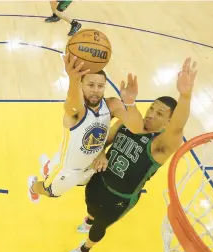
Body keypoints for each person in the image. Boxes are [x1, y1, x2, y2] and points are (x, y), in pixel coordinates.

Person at [65, 57, 198, 252]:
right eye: (152, 108)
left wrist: (185, 95)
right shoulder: (128, 123)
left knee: (100, 227)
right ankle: (88, 220)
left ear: (168, 121)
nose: (151, 114)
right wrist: (100, 153)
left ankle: (84, 249)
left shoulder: (160, 146)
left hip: (120, 197)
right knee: (90, 208)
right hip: (99, 179)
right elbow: (103, 140)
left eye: (159, 113)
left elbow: (179, 127)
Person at [28, 53, 144, 202]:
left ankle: (48, 166)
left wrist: (130, 103)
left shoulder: (112, 105)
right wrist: (73, 79)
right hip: (67, 169)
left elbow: (136, 128)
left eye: (100, 86)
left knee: (84, 183)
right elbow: (72, 103)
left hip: (90, 164)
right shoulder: (77, 110)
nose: (96, 90)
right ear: (81, 85)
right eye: (90, 85)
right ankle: (33, 186)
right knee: (49, 191)